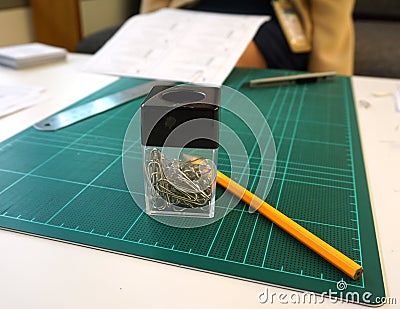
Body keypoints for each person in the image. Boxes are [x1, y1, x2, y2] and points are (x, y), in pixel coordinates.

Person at [140, 0, 355, 75]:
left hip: (275, 15)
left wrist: (330, 78)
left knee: (212, 66)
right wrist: (150, 25)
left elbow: (333, 9)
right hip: (196, 8)